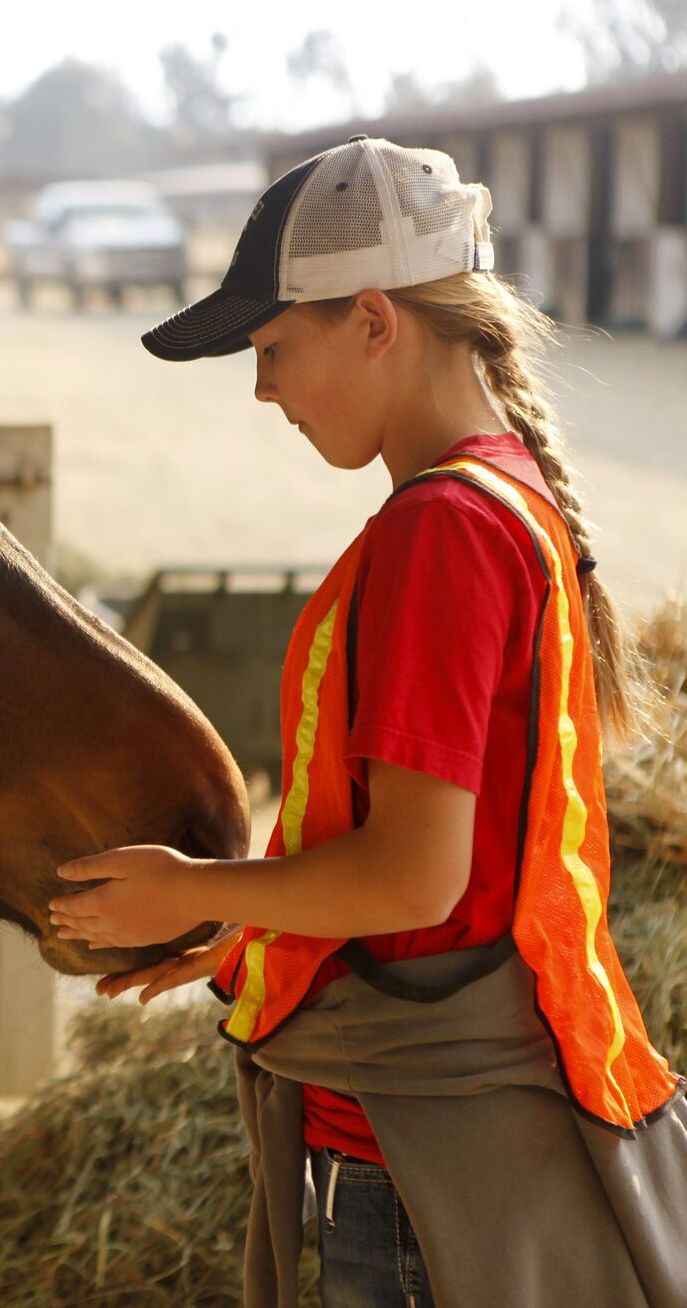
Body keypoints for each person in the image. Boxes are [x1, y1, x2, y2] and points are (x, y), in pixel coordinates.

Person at [45, 136, 687, 1308]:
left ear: (374, 321)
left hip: (414, 1164)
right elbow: (464, 871)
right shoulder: (505, 495)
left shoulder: (440, 530)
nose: (262, 390)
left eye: (271, 348)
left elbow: (409, 879)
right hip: (472, 1132)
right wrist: (265, 928)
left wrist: (193, 888)